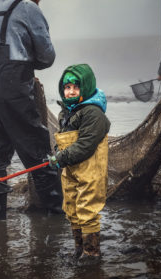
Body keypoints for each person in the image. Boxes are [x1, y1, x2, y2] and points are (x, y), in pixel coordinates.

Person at [0, 0, 62, 212]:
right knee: (38, 153)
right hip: (11, 90)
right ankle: (55, 220)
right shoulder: (29, 7)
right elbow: (47, 56)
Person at [48, 64, 111, 259]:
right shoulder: (66, 112)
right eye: (67, 87)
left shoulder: (93, 113)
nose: (71, 91)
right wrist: (57, 153)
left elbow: (85, 145)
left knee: (87, 209)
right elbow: (63, 139)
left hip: (90, 171)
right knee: (72, 208)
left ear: (86, 87)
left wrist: (61, 157)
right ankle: (78, 249)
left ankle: (91, 253)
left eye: (76, 87)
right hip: (71, 170)